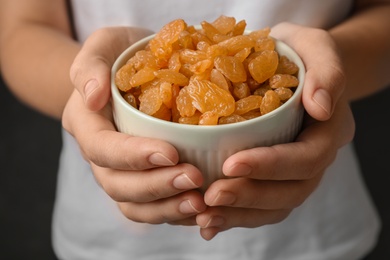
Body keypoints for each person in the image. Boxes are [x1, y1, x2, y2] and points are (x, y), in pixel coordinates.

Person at [1, 0, 390, 259]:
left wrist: (331, 71)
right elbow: (20, 29)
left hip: (314, 230)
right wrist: (89, 88)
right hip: (109, 233)